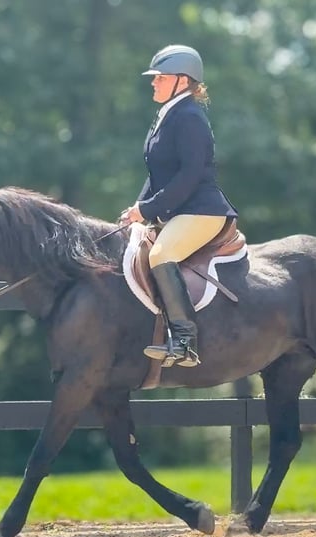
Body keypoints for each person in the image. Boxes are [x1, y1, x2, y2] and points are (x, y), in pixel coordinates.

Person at [120, 44, 238, 368]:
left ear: (182, 80)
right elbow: (159, 174)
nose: (153, 83)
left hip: (202, 210)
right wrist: (138, 208)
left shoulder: (189, 118)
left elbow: (188, 176)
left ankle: (185, 341)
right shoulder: (167, 114)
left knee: (161, 254)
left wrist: (148, 210)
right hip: (178, 208)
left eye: (160, 77)